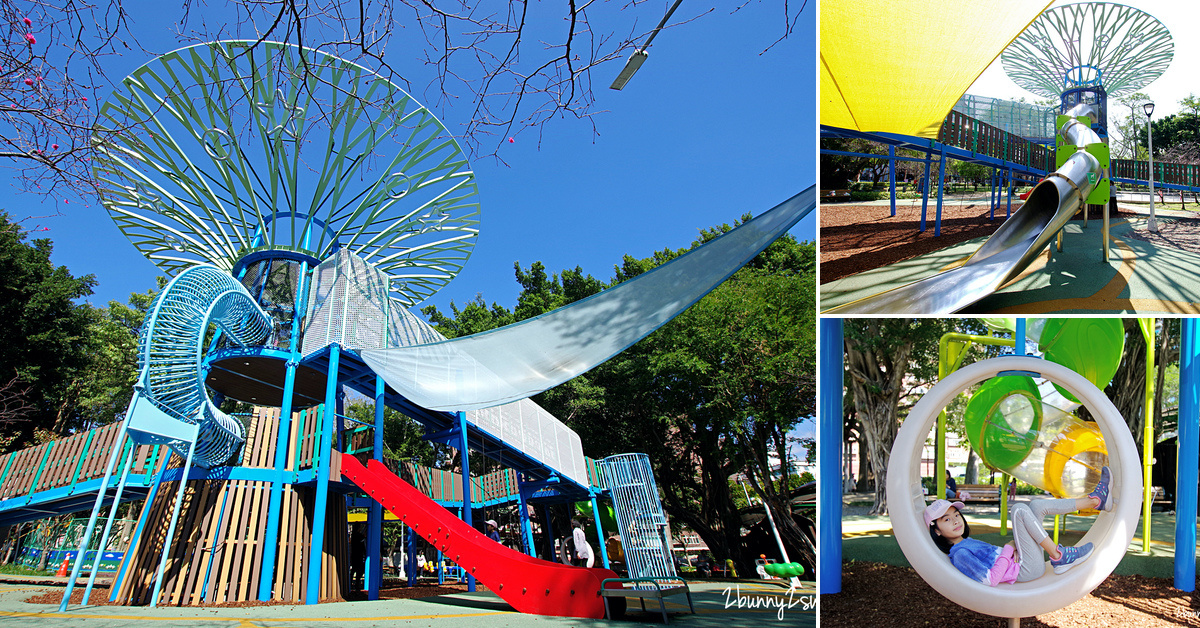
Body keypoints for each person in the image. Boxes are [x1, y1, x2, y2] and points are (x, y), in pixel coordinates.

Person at [926, 466, 1113, 585]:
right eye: (947, 519)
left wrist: (1013, 546)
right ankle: (1058, 555)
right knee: (1019, 509)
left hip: (1023, 561)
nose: (956, 520)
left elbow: (1001, 557)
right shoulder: (959, 554)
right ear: (937, 530)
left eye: (956, 514)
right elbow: (990, 579)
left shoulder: (965, 543)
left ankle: (1095, 501)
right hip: (1025, 570)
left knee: (1037, 506)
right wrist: (1008, 548)